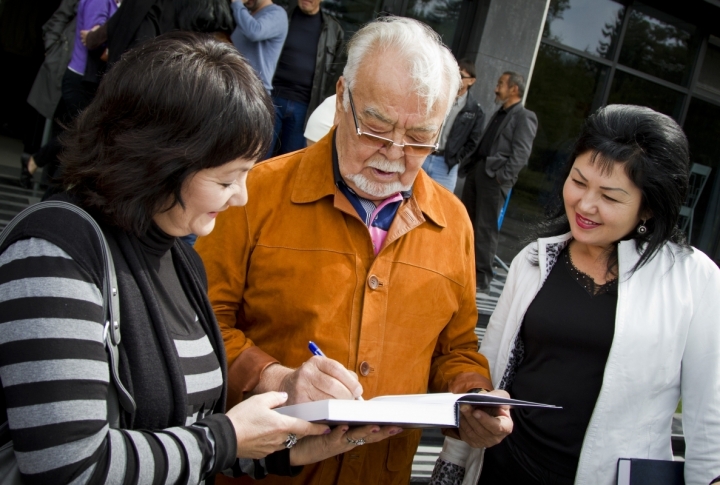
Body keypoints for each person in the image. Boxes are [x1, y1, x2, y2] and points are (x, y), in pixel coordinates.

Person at [0, 32, 388, 484]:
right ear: (159, 162)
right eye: (227, 181)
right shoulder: (55, 254)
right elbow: (69, 464)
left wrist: (291, 446)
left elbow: (186, 435)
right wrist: (225, 438)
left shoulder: (181, 260)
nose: (241, 197)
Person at [195, 17, 513, 485]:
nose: (394, 153)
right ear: (342, 98)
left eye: (421, 137)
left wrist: (473, 397)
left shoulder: (453, 222)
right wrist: (276, 378)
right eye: (377, 127)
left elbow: (456, 348)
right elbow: (198, 326)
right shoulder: (255, 193)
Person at [433, 105, 720, 485]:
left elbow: (709, 415)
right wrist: (459, 451)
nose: (585, 205)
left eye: (610, 197)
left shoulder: (692, 280)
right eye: (579, 182)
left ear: (648, 206)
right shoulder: (534, 260)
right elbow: (488, 367)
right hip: (505, 467)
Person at [459, 71, 537, 292]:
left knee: (485, 228)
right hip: (478, 172)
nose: (496, 88)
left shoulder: (524, 116)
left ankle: (481, 279)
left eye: (501, 83)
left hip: (494, 178)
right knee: (467, 223)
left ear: (514, 89)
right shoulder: (499, 113)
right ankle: (463, 269)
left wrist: (501, 177)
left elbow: (521, 154)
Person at [269, 0, 343, 156]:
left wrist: (320, 104)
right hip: (272, 99)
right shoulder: (281, 16)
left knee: (290, 161)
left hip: (304, 107)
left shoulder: (333, 30)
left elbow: (334, 73)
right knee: (259, 155)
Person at [421, 58, 484, 193]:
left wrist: (456, 157)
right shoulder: (438, 96)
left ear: (471, 81)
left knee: (440, 206)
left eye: (461, 75)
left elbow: (473, 142)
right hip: (423, 154)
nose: (456, 78)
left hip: (445, 164)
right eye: (454, 73)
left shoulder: (474, 110)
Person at [230, 0, 288, 93]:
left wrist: (237, 3)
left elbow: (254, 32)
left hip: (254, 91)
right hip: (236, 85)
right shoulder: (246, 15)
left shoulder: (277, 13)